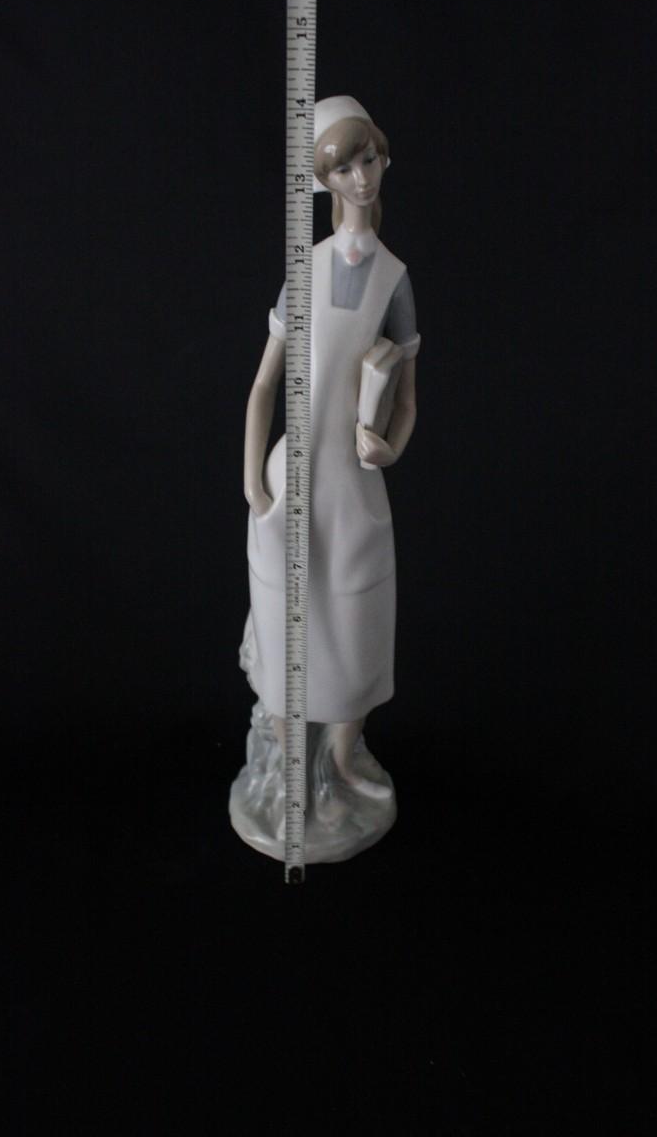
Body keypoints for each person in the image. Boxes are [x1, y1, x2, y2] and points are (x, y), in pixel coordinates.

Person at [234, 96, 420, 860]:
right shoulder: (302, 271)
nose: (360, 176)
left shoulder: (394, 278)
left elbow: (407, 398)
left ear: (383, 158)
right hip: (290, 483)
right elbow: (263, 385)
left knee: (357, 624)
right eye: (343, 167)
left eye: (368, 158)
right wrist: (254, 481)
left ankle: (342, 762)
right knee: (286, 624)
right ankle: (290, 775)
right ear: (323, 180)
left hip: (355, 486)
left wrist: (390, 448)